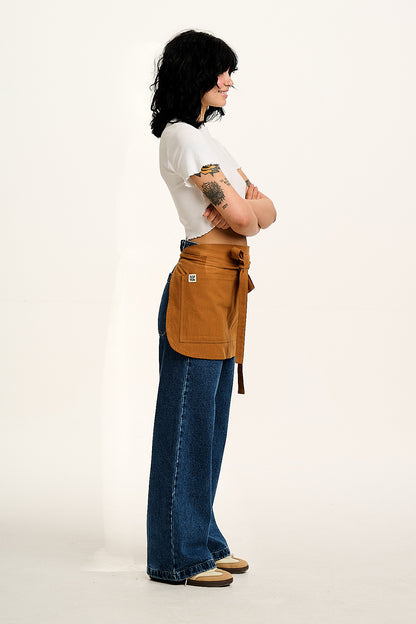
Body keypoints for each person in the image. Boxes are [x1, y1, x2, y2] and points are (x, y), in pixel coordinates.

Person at [146, 29, 277, 588]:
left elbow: (267, 211)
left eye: (230, 72)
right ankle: (177, 555)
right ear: (194, 73)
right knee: (187, 420)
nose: (229, 82)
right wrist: (244, 210)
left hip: (226, 283)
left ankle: (201, 537)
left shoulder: (208, 143)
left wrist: (246, 211)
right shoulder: (182, 138)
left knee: (210, 422)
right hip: (202, 279)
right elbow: (247, 215)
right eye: (221, 71)